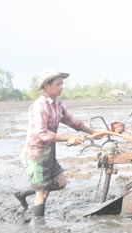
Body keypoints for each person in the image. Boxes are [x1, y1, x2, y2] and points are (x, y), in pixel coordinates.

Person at [14, 69, 95, 216]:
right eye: (58, 84)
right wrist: (67, 138)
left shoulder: (58, 105)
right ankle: (38, 225)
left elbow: (74, 122)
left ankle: (24, 193)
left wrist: (93, 133)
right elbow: (42, 133)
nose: (61, 87)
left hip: (48, 153)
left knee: (60, 183)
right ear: (46, 86)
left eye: (62, 84)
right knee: (43, 193)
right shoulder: (40, 106)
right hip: (36, 154)